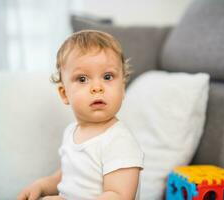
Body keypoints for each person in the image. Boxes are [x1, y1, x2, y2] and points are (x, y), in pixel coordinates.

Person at [17, 30, 144, 200]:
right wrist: (41, 185)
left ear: (122, 88)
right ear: (64, 94)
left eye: (107, 76)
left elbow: (119, 195)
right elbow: (64, 178)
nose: (97, 87)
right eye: (83, 79)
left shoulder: (119, 141)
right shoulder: (71, 132)